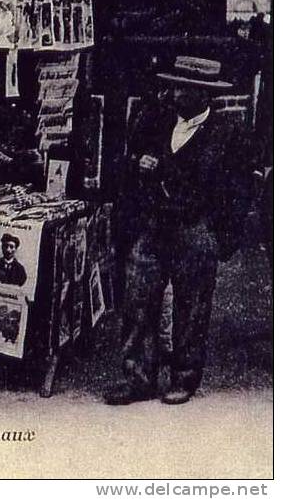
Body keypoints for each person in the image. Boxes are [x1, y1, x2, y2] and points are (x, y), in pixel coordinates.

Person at [104, 56, 249, 407]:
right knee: (138, 299)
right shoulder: (154, 118)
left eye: (181, 88)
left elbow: (241, 191)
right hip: (153, 225)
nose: (172, 92)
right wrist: (139, 163)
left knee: (193, 307)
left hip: (195, 230)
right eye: (172, 85)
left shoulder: (228, 133)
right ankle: (138, 377)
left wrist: (218, 239)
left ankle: (184, 378)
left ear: (203, 94)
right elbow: (126, 158)